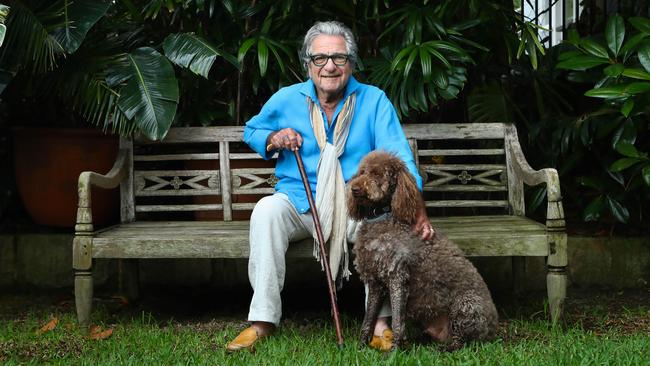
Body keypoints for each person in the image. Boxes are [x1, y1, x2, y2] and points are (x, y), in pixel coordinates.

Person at [225, 20, 435, 352]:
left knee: (382, 230)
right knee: (265, 211)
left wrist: (417, 209)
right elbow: (252, 130)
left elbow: (399, 157)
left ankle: (381, 324)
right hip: (299, 200)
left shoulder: (374, 101)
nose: (329, 66)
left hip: (355, 207)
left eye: (338, 57)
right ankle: (262, 320)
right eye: (320, 58)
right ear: (307, 63)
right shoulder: (286, 99)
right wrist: (273, 137)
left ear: (351, 62)